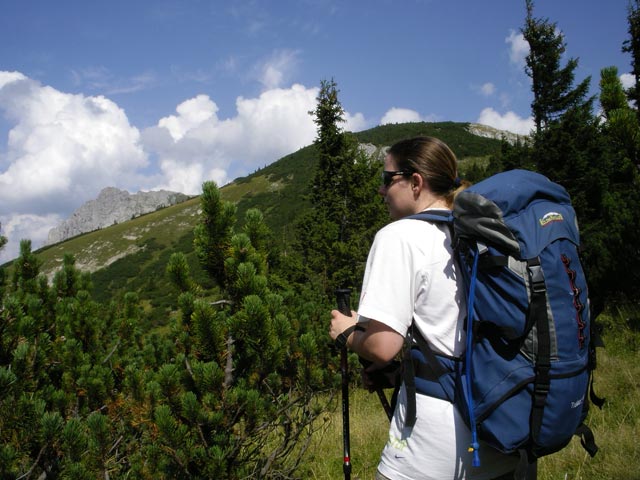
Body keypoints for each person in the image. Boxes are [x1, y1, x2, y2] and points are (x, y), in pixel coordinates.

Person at [329, 136, 520, 480]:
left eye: (387, 179)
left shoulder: (399, 236)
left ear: (415, 181)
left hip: (436, 445)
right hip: (503, 430)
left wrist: (348, 333)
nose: (381, 190)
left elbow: (383, 347)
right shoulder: (481, 234)